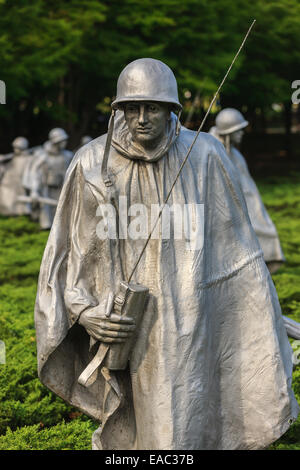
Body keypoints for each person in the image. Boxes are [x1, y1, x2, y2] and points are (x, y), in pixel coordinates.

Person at [35, 58, 299, 450]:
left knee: (190, 425)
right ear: (119, 110)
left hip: (195, 326)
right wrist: (85, 312)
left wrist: (265, 317)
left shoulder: (206, 155)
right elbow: (66, 257)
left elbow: (240, 257)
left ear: (172, 110)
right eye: (131, 108)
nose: (141, 118)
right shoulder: (91, 162)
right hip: (125, 329)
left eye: (153, 107)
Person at [211, 108, 285, 274]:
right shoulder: (213, 152)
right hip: (224, 216)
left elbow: (249, 190)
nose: (242, 133)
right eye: (238, 130)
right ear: (229, 132)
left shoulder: (236, 155)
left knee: (265, 233)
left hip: (247, 211)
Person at [29, 128, 73, 229]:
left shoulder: (67, 156)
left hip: (63, 190)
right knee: (47, 219)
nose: (65, 142)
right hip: (47, 191)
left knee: (64, 221)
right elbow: (35, 174)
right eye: (62, 141)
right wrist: (34, 191)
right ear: (55, 142)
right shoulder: (43, 156)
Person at [0, 137, 32, 215]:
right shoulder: (13, 158)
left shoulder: (29, 159)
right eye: (15, 147)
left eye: (18, 148)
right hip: (11, 183)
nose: (15, 149)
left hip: (21, 183)